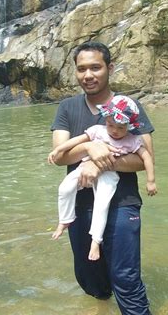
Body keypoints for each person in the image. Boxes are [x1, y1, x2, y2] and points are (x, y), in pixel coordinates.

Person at [50, 41, 159, 315]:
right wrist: (95, 145)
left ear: (109, 68)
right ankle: (101, 307)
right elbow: (60, 156)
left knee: (125, 273)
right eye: (81, 69)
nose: (88, 75)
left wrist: (103, 163)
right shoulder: (68, 108)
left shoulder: (128, 106)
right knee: (88, 272)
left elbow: (144, 160)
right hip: (82, 204)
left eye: (95, 67)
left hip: (123, 202)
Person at [48, 95, 157, 261]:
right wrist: (58, 150)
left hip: (109, 175)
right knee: (64, 188)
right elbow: (78, 140)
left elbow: (147, 158)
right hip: (85, 166)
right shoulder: (98, 130)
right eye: (111, 125)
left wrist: (150, 181)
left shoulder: (132, 140)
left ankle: (95, 241)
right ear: (105, 119)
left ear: (129, 126)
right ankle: (64, 220)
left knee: (101, 204)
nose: (114, 130)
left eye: (121, 127)